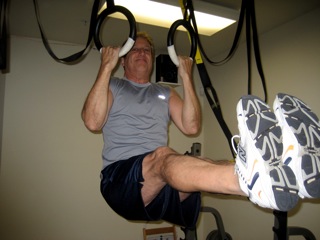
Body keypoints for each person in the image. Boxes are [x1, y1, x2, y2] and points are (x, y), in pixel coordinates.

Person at [82, 31, 320, 228]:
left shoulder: (165, 93)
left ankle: (291, 172)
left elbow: (191, 126)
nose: (142, 53)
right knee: (164, 156)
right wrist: (105, 67)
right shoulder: (112, 85)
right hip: (120, 181)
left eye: (147, 50)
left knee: (204, 162)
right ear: (123, 59)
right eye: (135, 49)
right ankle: (253, 180)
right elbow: (92, 121)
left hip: (158, 186)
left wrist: (186, 75)